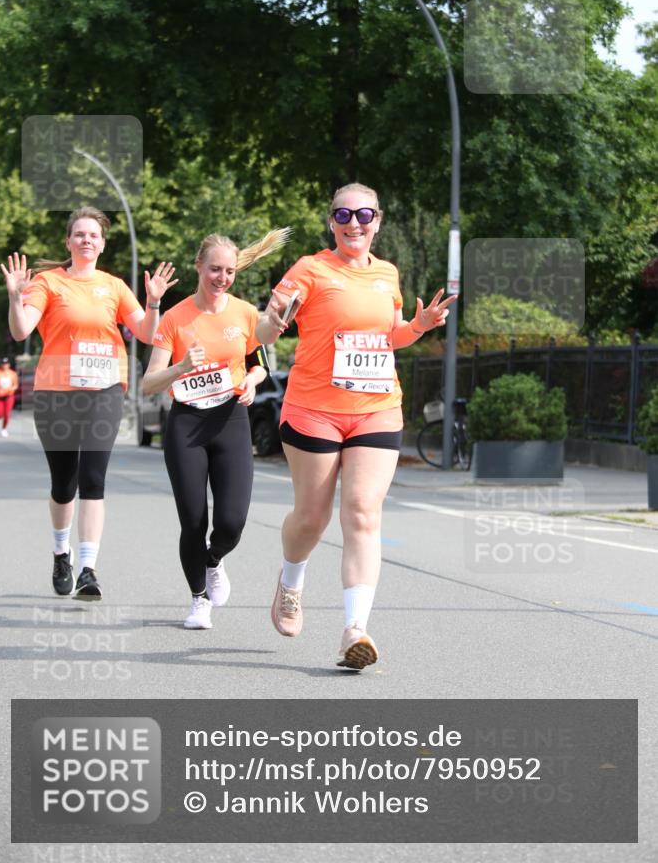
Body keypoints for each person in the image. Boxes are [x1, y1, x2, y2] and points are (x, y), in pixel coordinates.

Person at [257, 183, 456, 670]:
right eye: (343, 214)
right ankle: (291, 581)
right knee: (312, 517)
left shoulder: (387, 273)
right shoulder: (310, 268)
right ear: (331, 222)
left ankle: (354, 630)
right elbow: (264, 327)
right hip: (313, 408)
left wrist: (420, 326)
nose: (354, 223)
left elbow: (391, 336)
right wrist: (274, 321)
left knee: (363, 512)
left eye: (364, 214)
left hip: (377, 407)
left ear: (378, 221)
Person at [1, 206, 177, 600]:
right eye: (79, 234)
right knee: (64, 485)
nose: (86, 240)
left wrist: (153, 303)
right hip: (56, 394)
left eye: (93, 235)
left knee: (92, 479)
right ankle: (61, 553)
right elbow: (21, 329)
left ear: (102, 243)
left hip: (105, 391)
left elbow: (147, 335)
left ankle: (88, 569)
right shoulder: (47, 283)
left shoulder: (114, 286)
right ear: (68, 241)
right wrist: (16, 297)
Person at [142, 229, 289, 630]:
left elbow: (261, 355)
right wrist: (180, 367)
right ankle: (198, 601)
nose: (221, 277)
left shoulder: (242, 312)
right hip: (187, 423)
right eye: (214, 269)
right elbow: (148, 383)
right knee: (193, 520)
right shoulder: (175, 318)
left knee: (231, 522)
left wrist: (254, 380)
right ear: (198, 267)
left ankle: (213, 560)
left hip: (231, 420)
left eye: (228, 271)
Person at [0, 357, 19, 437]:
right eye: (3, 364)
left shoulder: (13, 374)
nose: (5, 365)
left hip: (9, 396)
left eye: (6, 364)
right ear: (1, 365)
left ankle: (4, 429)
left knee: (7, 414)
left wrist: (11, 389)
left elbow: (15, 385)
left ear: (9, 365)